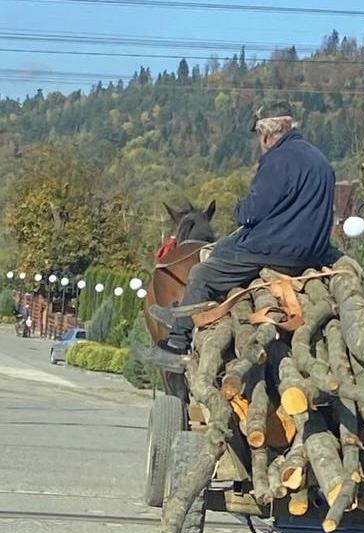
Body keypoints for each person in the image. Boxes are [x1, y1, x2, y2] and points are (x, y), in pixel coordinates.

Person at [144, 100, 341, 370]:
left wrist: (239, 207)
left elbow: (251, 213)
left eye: (259, 136)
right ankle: (181, 313)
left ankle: (178, 342)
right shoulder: (321, 160)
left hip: (275, 250)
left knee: (203, 272)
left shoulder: (277, 160)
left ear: (267, 134)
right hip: (314, 252)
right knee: (223, 247)